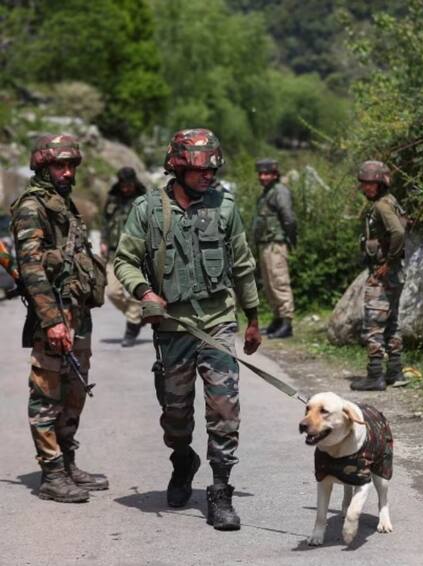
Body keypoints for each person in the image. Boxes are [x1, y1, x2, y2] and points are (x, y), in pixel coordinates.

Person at [113, 128, 262, 531]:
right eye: (200, 169)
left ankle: (220, 490)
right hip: (173, 327)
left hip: (217, 323)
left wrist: (253, 319)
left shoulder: (226, 207)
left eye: (213, 168)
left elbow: (244, 265)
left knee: (224, 410)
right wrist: (145, 291)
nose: (209, 175)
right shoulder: (147, 210)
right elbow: (123, 260)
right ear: (177, 168)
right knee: (175, 414)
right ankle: (182, 460)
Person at [10, 134, 109, 502]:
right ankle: (51, 473)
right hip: (54, 313)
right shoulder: (32, 206)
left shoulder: (63, 203)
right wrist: (52, 320)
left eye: (71, 166)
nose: (67, 172)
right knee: (46, 393)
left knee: (75, 391)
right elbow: (32, 268)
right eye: (59, 165)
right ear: (42, 165)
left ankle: (67, 462)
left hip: (78, 312)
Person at [350, 160, 408, 391]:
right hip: (395, 274)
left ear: (381, 183)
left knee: (373, 324)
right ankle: (395, 372)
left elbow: (399, 232)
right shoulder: (391, 202)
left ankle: (375, 375)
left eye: (370, 184)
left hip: (383, 274)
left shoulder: (382, 206)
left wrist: (387, 262)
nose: (365, 188)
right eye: (363, 183)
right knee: (392, 323)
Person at [251, 158, 297, 339]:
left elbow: (289, 217)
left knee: (279, 282)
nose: (263, 177)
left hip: (276, 244)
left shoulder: (279, 191)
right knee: (270, 286)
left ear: (275, 174)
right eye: (261, 174)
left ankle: (287, 323)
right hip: (266, 243)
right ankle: (277, 319)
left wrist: (291, 238)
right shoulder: (267, 193)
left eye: (267, 174)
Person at [101, 166, 147, 347]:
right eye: (123, 185)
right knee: (112, 292)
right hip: (114, 252)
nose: (126, 188)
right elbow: (104, 221)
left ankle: (132, 327)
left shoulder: (144, 200)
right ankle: (136, 315)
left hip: (138, 253)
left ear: (135, 182)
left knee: (137, 292)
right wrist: (103, 240)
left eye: (129, 184)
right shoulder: (112, 198)